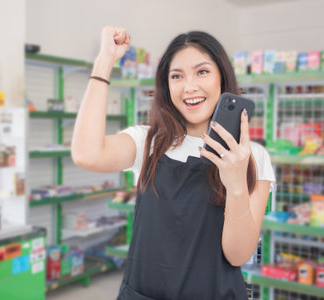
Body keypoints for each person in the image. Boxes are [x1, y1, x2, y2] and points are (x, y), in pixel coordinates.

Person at [72, 27, 276, 299]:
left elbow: (238, 255)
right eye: (177, 76)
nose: (189, 86)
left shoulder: (252, 156)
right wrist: (104, 61)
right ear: (166, 87)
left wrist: (236, 184)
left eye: (202, 72)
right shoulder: (148, 142)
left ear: (221, 77)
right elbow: (87, 154)